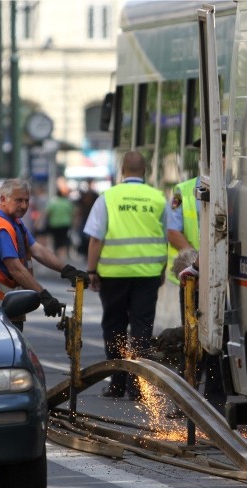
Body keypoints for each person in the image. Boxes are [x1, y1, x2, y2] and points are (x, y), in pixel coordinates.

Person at [84, 151, 167, 400]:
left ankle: (117, 383)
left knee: (115, 327)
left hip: (114, 274)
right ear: (145, 171)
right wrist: (161, 269)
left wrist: (91, 270)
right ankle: (138, 387)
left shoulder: (108, 198)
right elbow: (164, 239)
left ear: (122, 171)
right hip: (148, 274)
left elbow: (96, 238)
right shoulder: (158, 198)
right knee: (141, 329)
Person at [166, 135, 227, 416]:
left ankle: (212, 401)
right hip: (195, 276)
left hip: (214, 275)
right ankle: (189, 400)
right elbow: (173, 231)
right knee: (194, 337)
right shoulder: (185, 190)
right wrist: (194, 260)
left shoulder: (233, 187)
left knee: (217, 338)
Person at [0, 178, 89, 321]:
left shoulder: (14, 221)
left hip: (7, 308)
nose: (24, 206)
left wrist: (67, 270)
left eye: (27, 201)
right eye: (19, 200)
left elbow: (37, 250)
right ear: (3, 199)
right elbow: (15, 269)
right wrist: (43, 295)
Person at [45, 177, 75, 263]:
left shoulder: (53, 202)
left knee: (56, 240)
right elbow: (73, 213)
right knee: (63, 240)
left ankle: (56, 255)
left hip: (54, 224)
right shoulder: (67, 203)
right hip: (65, 224)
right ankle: (61, 257)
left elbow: (47, 213)